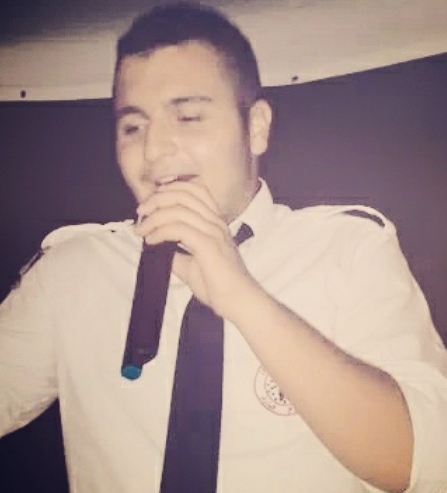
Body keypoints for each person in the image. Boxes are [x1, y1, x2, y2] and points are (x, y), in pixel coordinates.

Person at [1, 2, 447, 492]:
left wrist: (241, 296)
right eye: (133, 127)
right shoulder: (75, 269)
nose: (154, 150)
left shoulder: (349, 248)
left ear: (256, 127)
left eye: (188, 117)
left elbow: (426, 464)